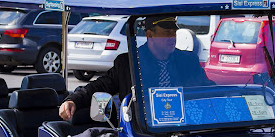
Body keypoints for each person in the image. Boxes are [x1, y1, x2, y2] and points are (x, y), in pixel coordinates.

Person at [59, 15, 212, 121]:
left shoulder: (187, 60)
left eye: (174, 33)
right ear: (150, 35)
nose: (172, 37)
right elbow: (99, 86)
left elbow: (205, 87)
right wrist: (73, 100)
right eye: (166, 33)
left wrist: (231, 94)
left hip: (183, 127)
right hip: (143, 131)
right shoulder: (129, 63)